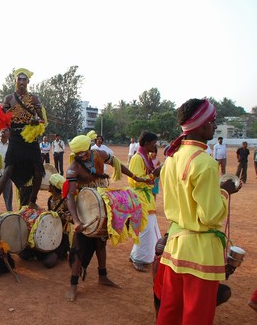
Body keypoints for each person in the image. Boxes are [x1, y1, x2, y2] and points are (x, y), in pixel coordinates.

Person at [158, 98, 241, 324]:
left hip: (174, 247)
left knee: (170, 312)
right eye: (213, 122)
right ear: (202, 125)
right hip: (201, 251)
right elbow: (210, 216)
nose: (215, 126)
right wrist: (224, 191)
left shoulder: (171, 159)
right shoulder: (204, 162)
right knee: (197, 316)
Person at [65, 132, 152, 302]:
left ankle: (102, 276)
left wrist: (136, 177)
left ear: (89, 148)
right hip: (85, 207)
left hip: (103, 203)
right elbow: (69, 196)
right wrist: (76, 220)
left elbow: (118, 165)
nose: (82, 156)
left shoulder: (100, 155)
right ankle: (73, 285)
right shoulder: (73, 168)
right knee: (79, 247)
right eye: (78, 154)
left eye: (84, 152)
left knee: (101, 242)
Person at [0, 68, 46, 212]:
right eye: (19, 79)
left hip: (30, 138)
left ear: (28, 82)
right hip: (15, 137)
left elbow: (42, 119)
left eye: (24, 80)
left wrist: (36, 121)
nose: (21, 82)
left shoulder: (34, 98)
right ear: (15, 81)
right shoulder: (9, 98)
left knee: (39, 171)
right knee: (9, 169)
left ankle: (32, 201)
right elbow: (2, 118)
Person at [128, 131, 162, 272]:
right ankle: (138, 258)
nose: (155, 146)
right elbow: (134, 181)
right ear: (146, 143)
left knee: (151, 228)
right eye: (153, 143)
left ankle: (143, 256)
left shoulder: (145, 157)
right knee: (145, 229)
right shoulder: (137, 158)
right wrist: (154, 174)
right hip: (140, 198)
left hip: (146, 198)